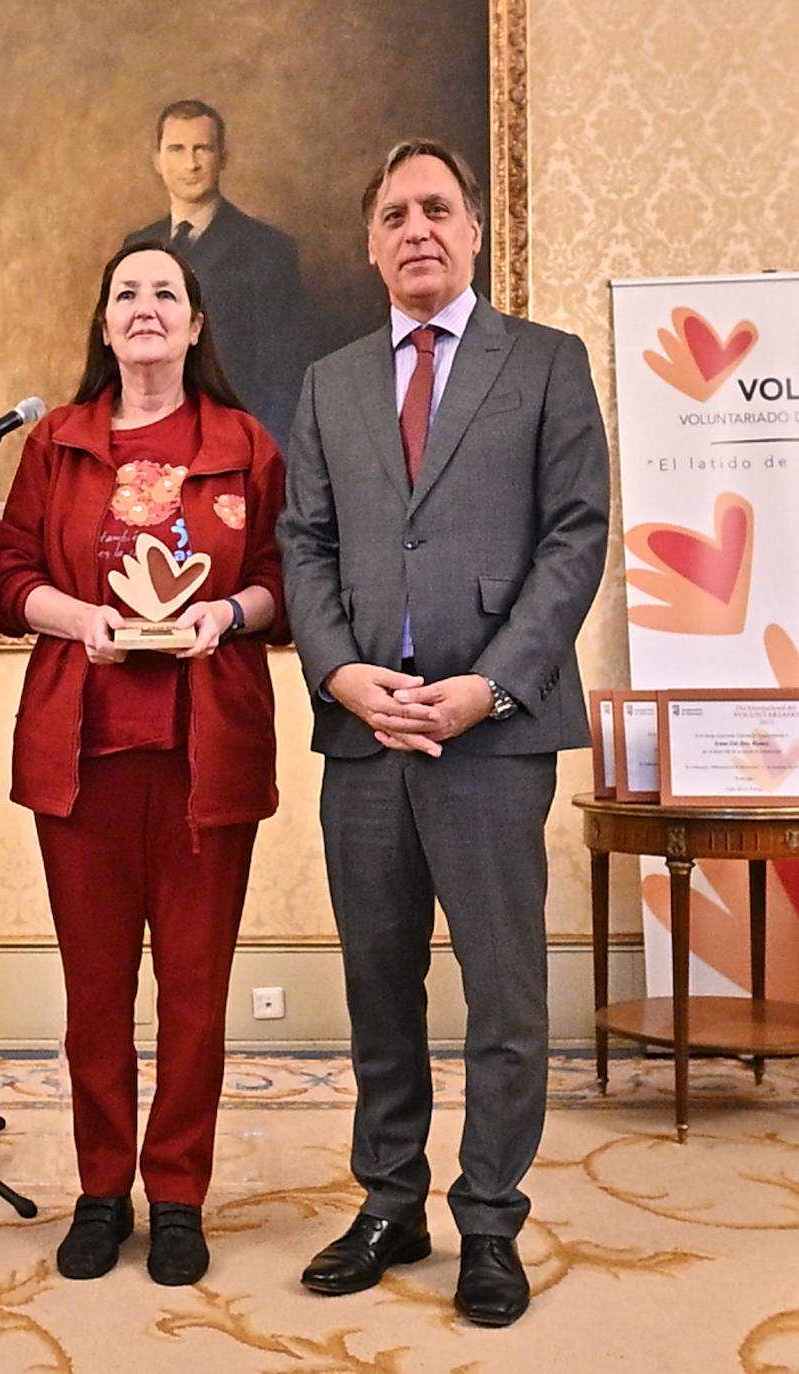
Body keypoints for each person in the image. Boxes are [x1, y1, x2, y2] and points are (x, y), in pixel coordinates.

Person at [277, 139, 608, 1326]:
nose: (416, 228)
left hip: (487, 732)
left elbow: (576, 538)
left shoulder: (547, 364)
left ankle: (488, 1220)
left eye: (436, 209)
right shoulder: (328, 383)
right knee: (377, 985)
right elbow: (302, 545)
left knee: (505, 993)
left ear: (472, 230)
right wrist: (340, 672)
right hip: (365, 732)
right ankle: (387, 1201)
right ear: (370, 243)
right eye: (393, 214)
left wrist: (490, 687)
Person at [0, 243, 288, 1287]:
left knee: (195, 995)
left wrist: (225, 613)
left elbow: (289, 584)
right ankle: (102, 1190)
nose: (146, 307)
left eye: (166, 292)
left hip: (207, 757)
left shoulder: (244, 443)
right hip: (84, 754)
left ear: (195, 324)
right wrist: (81, 621)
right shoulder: (57, 444)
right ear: (104, 327)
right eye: (127, 294)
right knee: (95, 992)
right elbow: (6, 574)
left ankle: (179, 1196)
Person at [124, 99, 307, 449]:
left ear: (223, 157)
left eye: (202, 149)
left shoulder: (268, 250)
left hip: (232, 445)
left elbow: (282, 380)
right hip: (149, 444)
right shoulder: (136, 247)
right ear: (157, 161)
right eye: (177, 149)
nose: (190, 164)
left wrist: (260, 460)